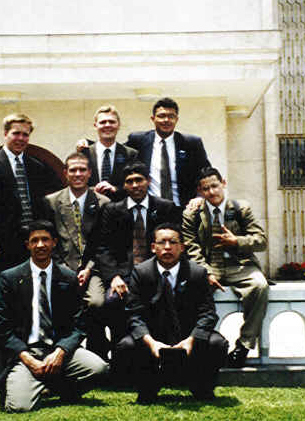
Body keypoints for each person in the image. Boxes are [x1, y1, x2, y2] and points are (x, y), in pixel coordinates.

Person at [0, 220, 109, 413]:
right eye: (34, 240)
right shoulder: (9, 278)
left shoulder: (68, 277)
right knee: (20, 407)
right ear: (27, 245)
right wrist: (29, 359)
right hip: (25, 354)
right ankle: (30, 385)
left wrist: (60, 352)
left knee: (99, 369)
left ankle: (53, 386)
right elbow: (1, 327)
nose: (40, 245)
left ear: (54, 242)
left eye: (45, 239)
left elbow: (79, 324)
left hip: (57, 351)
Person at [115, 223, 228, 403]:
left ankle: (202, 388)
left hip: (188, 335)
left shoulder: (197, 273)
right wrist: (151, 343)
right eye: (162, 242)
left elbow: (208, 313)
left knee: (217, 343)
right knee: (126, 346)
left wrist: (191, 340)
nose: (167, 247)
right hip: (154, 337)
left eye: (173, 242)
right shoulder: (141, 272)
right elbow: (133, 314)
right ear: (153, 247)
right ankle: (147, 388)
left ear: (182, 247)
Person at [182, 167, 269, 367]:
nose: (212, 192)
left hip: (240, 266)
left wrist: (237, 241)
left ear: (223, 183)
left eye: (215, 186)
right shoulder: (192, 214)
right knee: (189, 292)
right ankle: (196, 345)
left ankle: (244, 345)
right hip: (209, 266)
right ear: (200, 191)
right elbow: (191, 247)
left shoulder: (241, 208)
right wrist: (206, 272)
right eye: (206, 189)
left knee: (259, 286)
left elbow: (261, 241)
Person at [0, 113, 63, 298]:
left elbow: (44, 206)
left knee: (31, 297)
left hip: (32, 244)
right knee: (3, 298)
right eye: (16, 133)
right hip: (2, 246)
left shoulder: (36, 167)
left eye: (25, 134)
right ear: (5, 134)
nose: (21, 138)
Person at [94, 162, 180, 359]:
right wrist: (114, 277)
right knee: (112, 301)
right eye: (129, 181)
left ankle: (168, 355)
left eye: (139, 180)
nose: (135, 185)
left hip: (157, 271)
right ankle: (121, 355)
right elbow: (103, 248)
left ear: (148, 181)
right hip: (124, 275)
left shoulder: (165, 207)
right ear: (124, 185)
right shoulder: (112, 210)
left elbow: (174, 243)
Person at [42, 152, 111, 359]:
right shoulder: (51, 202)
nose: (78, 174)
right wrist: (63, 269)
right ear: (65, 173)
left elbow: (104, 243)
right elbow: (49, 240)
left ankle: (97, 350)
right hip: (61, 267)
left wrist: (88, 269)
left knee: (96, 303)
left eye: (82, 170)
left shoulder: (103, 202)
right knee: (58, 306)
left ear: (90, 173)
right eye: (73, 170)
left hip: (93, 268)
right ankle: (62, 353)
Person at [125, 97, 210, 207]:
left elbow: (206, 173)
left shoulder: (191, 143)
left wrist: (200, 196)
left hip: (184, 208)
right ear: (153, 118)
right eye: (161, 116)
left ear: (177, 119)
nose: (166, 120)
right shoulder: (138, 140)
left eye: (171, 116)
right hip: (150, 208)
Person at [78, 105, 139, 200]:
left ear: (119, 125)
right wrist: (94, 190)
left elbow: (136, 183)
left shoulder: (130, 154)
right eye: (103, 122)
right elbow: (77, 182)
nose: (107, 125)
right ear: (95, 125)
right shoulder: (84, 153)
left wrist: (115, 189)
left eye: (112, 122)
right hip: (91, 205)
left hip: (120, 206)